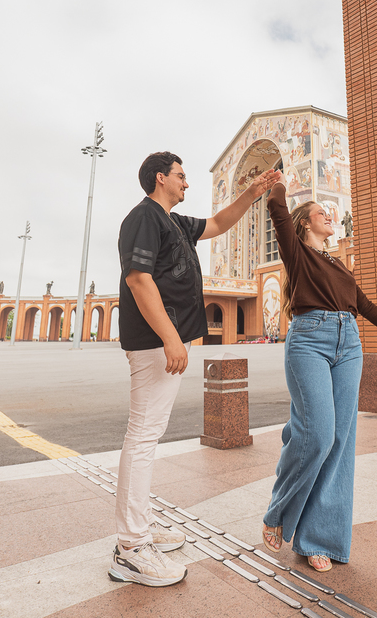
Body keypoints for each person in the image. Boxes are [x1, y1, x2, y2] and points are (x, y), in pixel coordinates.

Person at [109, 151, 279, 587]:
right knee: (144, 434)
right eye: (181, 176)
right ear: (160, 178)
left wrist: (253, 192)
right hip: (153, 343)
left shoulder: (175, 222)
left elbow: (220, 224)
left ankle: (139, 527)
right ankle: (130, 547)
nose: (187, 183)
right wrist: (169, 337)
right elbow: (138, 279)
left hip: (165, 341)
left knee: (148, 432)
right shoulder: (143, 217)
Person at [260, 171, 377, 572]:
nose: (330, 215)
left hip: (350, 344)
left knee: (339, 441)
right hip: (309, 341)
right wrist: (279, 183)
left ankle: (317, 537)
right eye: (322, 212)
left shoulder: (337, 264)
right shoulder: (297, 253)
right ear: (306, 224)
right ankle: (278, 514)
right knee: (317, 435)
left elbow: (366, 307)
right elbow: (277, 210)